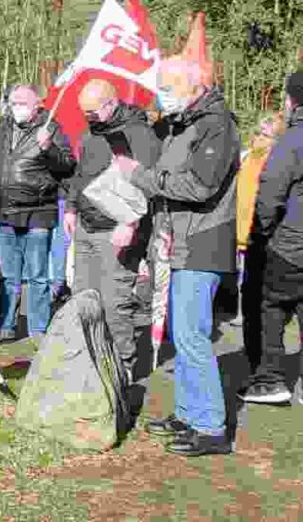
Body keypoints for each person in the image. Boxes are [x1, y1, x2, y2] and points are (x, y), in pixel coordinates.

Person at [115, 56, 240, 456]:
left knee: (192, 336)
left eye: (168, 88)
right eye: (159, 88)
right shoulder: (182, 125)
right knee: (182, 334)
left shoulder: (216, 125)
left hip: (204, 241)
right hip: (178, 241)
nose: (161, 96)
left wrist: (141, 177)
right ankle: (188, 413)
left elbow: (200, 186)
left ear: (195, 86)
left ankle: (210, 425)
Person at [65, 79, 160, 384]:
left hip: (118, 231)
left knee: (114, 301)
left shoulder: (139, 134)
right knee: (83, 296)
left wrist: (129, 223)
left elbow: (146, 184)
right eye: (84, 113)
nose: (87, 118)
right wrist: (70, 206)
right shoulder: (92, 133)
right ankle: (88, 358)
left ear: (110, 103)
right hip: (86, 225)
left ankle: (123, 365)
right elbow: (81, 174)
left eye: (92, 112)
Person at [0, 84, 76, 343]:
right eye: (13, 102)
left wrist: (49, 149)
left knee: (37, 276)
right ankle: (6, 326)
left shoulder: (52, 129)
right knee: (8, 276)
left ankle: (38, 329)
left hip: (38, 211)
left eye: (22, 103)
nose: (16, 107)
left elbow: (68, 166)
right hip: (4, 210)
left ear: (37, 105)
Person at [238, 72, 303, 405]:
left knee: (270, 309)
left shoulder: (292, 141)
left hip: (288, 244)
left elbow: (270, 195)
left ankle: (270, 380)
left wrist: (261, 233)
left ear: (292, 101)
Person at [232, 112, 285, 344]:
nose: (259, 138)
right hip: (241, 223)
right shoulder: (245, 156)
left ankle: (262, 317)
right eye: (258, 133)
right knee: (242, 273)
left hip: (262, 226)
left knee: (260, 275)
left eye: (265, 135)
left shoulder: (278, 162)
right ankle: (242, 311)